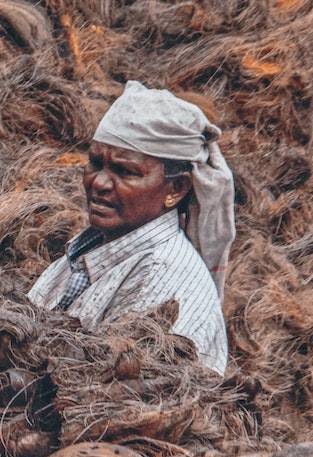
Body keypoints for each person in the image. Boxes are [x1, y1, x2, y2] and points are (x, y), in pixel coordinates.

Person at [28, 81, 233, 375]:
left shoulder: (162, 277)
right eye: (96, 163)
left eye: (125, 171)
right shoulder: (88, 250)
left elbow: (115, 396)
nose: (98, 182)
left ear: (176, 188)